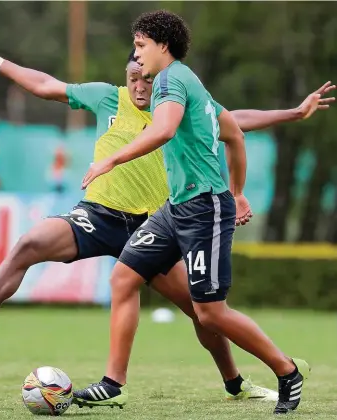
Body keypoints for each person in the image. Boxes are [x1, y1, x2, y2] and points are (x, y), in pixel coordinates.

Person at [0, 23, 334, 410]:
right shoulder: (108, 97)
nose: (140, 85)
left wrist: (292, 114)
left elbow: (233, 122)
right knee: (30, 244)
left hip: (154, 219)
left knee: (203, 310)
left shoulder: (172, 103)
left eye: (146, 76)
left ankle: (236, 382)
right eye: (133, 77)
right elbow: (46, 86)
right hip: (99, 216)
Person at [76, 11, 332, 415]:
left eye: (141, 46)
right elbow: (233, 131)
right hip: (176, 208)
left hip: (204, 209)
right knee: (124, 277)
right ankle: (113, 383)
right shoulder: (186, 81)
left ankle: (286, 371)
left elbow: (163, 130)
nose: (137, 57)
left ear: (162, 45)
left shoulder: (172, 80)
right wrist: (242, 190)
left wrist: (111, 161)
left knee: (209, 313)